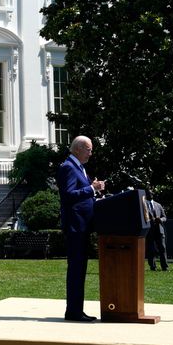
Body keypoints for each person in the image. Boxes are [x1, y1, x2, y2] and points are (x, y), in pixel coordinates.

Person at [55, 135, 105, 321]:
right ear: (78, 149)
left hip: (83, 225)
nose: (91, 153)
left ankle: (77, 310)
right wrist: (92, 189)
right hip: (76, 226)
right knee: (76, 270)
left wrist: (95, 192)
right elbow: (68, 195)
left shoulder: (79, 167)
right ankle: (73, 312)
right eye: (89, 149)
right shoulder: (68, 167)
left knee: (80, 269)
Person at [145, 190, 168, 271]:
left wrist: (160, 219)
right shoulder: (143, 205)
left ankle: (164, 266)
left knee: (162, 248)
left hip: (159, 229)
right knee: (151, 249)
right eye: (148, 193)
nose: (150, 194)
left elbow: (164, 217)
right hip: (150, 230)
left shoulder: (158, 205)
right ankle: (152, 266)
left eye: (151, 193)